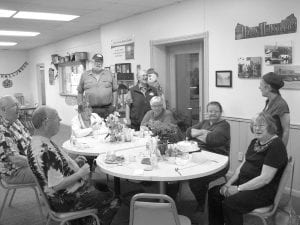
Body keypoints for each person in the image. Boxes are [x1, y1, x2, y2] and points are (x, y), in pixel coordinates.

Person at [27, 106, 119, 225]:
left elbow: (55, 169)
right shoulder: (45, 150)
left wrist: (74, 163)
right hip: (67, 200)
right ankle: (90, 220)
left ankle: (87, 219)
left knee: (102, 187)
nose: (60, 119)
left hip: (64, 195)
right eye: (56, 117)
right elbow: (57, 185)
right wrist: (80, 173)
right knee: (114, 199)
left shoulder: (37, 142)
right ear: (45, 122)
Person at [208, 112, 288, 225]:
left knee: (230, 204)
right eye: (255, 125)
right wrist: (228, 184)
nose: (257, 128)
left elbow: (265, 179)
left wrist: (238, 189)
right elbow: (242, 166)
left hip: (262, 191)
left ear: (270, 126)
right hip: (246, 183)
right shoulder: (255, 142)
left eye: (261, 125)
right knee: (214, 193)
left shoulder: (276, 145)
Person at [186, 101, 230, 212]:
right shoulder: (205, 122)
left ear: (221, 112)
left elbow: (212, 140)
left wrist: (196, 135)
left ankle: (202, 204)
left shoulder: (224, 125)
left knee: (196, 180)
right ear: (207, 112)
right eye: (210, 111)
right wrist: (203, 132)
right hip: (199, 156)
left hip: (218, 163)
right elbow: (188, 132)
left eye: (216, 111)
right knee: (183, 170)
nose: (213, 114)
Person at [0, 95, 34, 185]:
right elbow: (14, 158)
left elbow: (29, 140)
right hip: (14, 172)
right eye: (15, 105)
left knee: (56, 161)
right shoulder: (1, 130)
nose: (19, 107)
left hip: (25, 163)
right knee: (50, 170)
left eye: (18, 104)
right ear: (3, 110)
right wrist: (37, 161)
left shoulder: (15, 121)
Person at [77, 53, 118, 119]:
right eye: (96, 61)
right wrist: (80, 104)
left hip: (107, 110)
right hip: (90, 110)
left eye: (100, 61)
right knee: (92, 128)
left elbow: (115, 90)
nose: (98, 63)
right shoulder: (84, 75)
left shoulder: (109, 74)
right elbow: (80, 92)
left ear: (102, 63)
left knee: (107, 129)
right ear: (92, 62)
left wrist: (114, 105)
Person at [259, 72, 290, 146]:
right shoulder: (268, 101)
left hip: (275, 146)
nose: (259, 88)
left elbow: (286, 130)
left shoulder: (281, 104)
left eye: (261, 85)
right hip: (266, 144)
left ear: (268, 87)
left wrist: (281, 151)